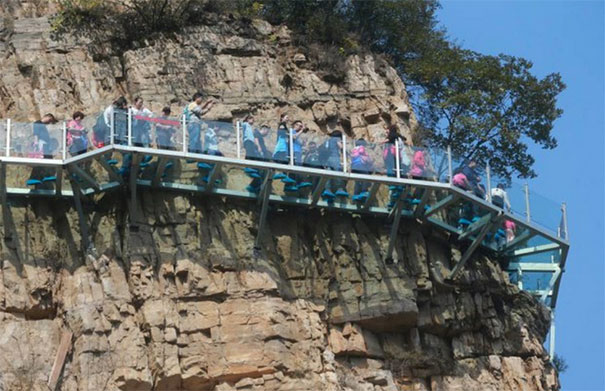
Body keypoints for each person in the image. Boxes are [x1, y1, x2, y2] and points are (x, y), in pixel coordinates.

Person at [322, 130, 348, 200]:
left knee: (328, 174)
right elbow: (340, 146)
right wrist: (345, 151)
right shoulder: (337, 139)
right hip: (334, 157)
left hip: (326, 159)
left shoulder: (327, 140)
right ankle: (340, 188)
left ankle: (328, 189)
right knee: (338, 171)